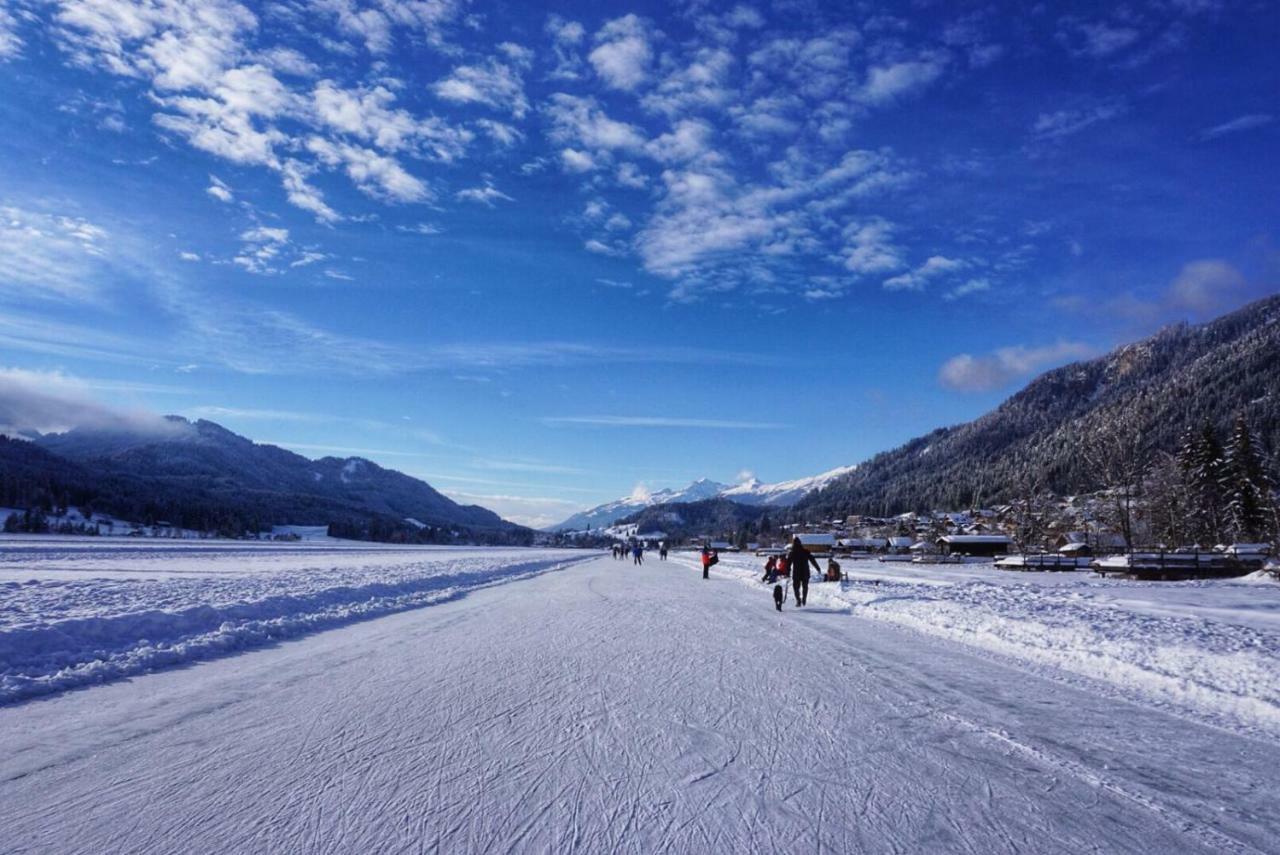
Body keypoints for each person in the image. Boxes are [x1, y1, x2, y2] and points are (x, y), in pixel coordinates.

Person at [788, 535, 820, 607]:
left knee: (796, 587)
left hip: (796, 573)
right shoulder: (805, 552)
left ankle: (798, 600)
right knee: (805, 586)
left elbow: (788, 564)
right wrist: (817, 568)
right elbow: (813, 560)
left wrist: (787, 572)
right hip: (805, 572)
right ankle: (804, 599)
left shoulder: (792, 553)